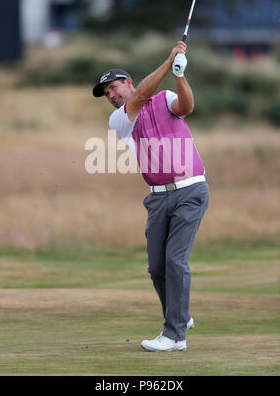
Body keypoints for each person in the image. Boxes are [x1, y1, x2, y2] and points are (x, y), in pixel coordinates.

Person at [92, 41, 209, 352]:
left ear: (127, 82)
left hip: (190, 190)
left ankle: (175, 336)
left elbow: (186, 108)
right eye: (107, 94)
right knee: (157, 266)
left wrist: (180, 75)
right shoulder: (120, 120)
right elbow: (142, 96)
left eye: (114, 87)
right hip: (157, 198)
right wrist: (169, 60)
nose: (112, 95)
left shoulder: (165, 98)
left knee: (174, 260)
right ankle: (180, 317)